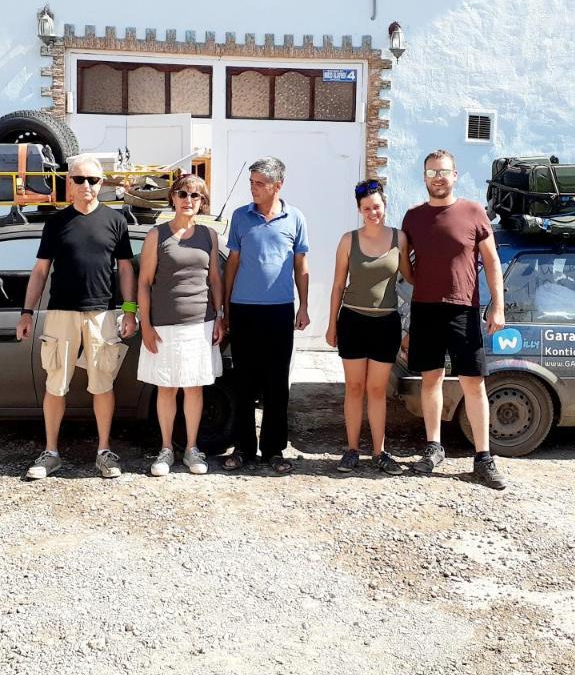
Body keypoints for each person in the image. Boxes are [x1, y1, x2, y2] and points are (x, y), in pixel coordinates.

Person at [16, 152, 138, 480]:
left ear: (102, 184)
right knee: (56, 384)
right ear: (69, 183)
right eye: (80, 179)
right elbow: (41, 271)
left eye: (94, 180)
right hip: (60, 313)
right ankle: (51, 453)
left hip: (102, 314)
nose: (87, 185)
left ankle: (104, 452)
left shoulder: (115, 221)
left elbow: (126, 269)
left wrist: (130, 310)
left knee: (102, 384)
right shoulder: (56, 223)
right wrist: (27, 312)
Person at [401, 149, 508, 489]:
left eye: (444, 171)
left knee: (473, 383)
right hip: (425, 309)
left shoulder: (474, 212)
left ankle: (484, 458)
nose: (438, 177)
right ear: (424, 177)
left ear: (455, 175)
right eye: (432, 172)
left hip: (463, 309)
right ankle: (433, 448)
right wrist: (425, 283)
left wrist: (498, 307)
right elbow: (407, 264)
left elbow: (491, 263)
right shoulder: (413, 218)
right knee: (430, 379)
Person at [221, 157, 310, 474]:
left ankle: (274, 450)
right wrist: (226, 307)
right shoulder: (240, 217)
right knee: (244, 383)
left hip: (279, 311)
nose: (253, 189)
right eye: (251, 183)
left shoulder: (295, 218)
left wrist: (304, 306)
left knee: (276, 385)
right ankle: (244, 449)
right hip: (244, 310)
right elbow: (232, 263)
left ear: (278, 185)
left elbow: (301, 267)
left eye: (260, 183)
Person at [136, 174, 225, 476]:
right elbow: (144, 282)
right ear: (173, 197)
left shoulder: (209, 236)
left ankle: (191, 449)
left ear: (202, 202)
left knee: (194, 388)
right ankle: (164, 450)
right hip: (163, 326)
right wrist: (145, 325)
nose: (189, 200)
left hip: (200, 324)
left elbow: (215, 278)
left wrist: (220, 316)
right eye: (183, 194)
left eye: (196, 196)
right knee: (166, 388)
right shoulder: (156, 235)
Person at [325, 179, 410, 475]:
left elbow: (411, 280)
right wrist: (331, 324)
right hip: (352, 321)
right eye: (366, 208)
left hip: (386, 323)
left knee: (376, 390)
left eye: (376, 207)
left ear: (384, 206)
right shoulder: (349, 240)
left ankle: (379, 452)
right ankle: (351, 451)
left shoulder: (400, 239)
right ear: (359, 210)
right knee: (355, 387)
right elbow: (337, 285)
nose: (372, 212)